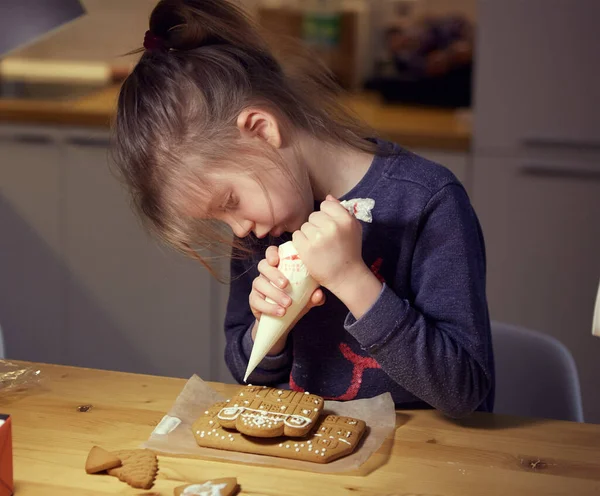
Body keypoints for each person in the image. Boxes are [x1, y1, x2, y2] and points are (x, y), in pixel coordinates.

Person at [112, 0, 494, 418]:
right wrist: (268, 331)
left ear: (261, 130)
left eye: (230, 203)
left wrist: (352, 278)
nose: (238, 230)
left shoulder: (426, 201)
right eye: (220, 218)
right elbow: (245, 371)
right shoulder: (266, 228)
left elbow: (465, 393)